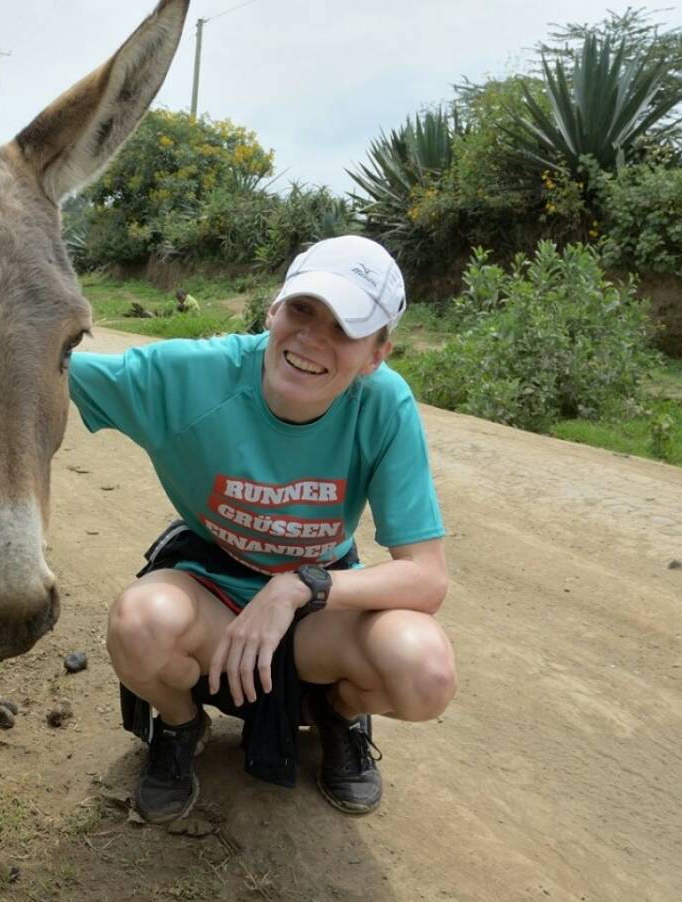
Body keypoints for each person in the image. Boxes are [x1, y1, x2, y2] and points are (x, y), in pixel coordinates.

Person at [68, 235, 455, 822]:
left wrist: (302, 585)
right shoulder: (190, 377)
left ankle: (338, 713)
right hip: (214, 587)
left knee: (424, 671)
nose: (311, 339)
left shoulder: (384, 405)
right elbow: (41, 366)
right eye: (302, 309)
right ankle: (180, 726)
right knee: (139, 625)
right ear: (274, 309)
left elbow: (426, 579)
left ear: (376, 354)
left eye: (345, 329)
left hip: (320, 609)